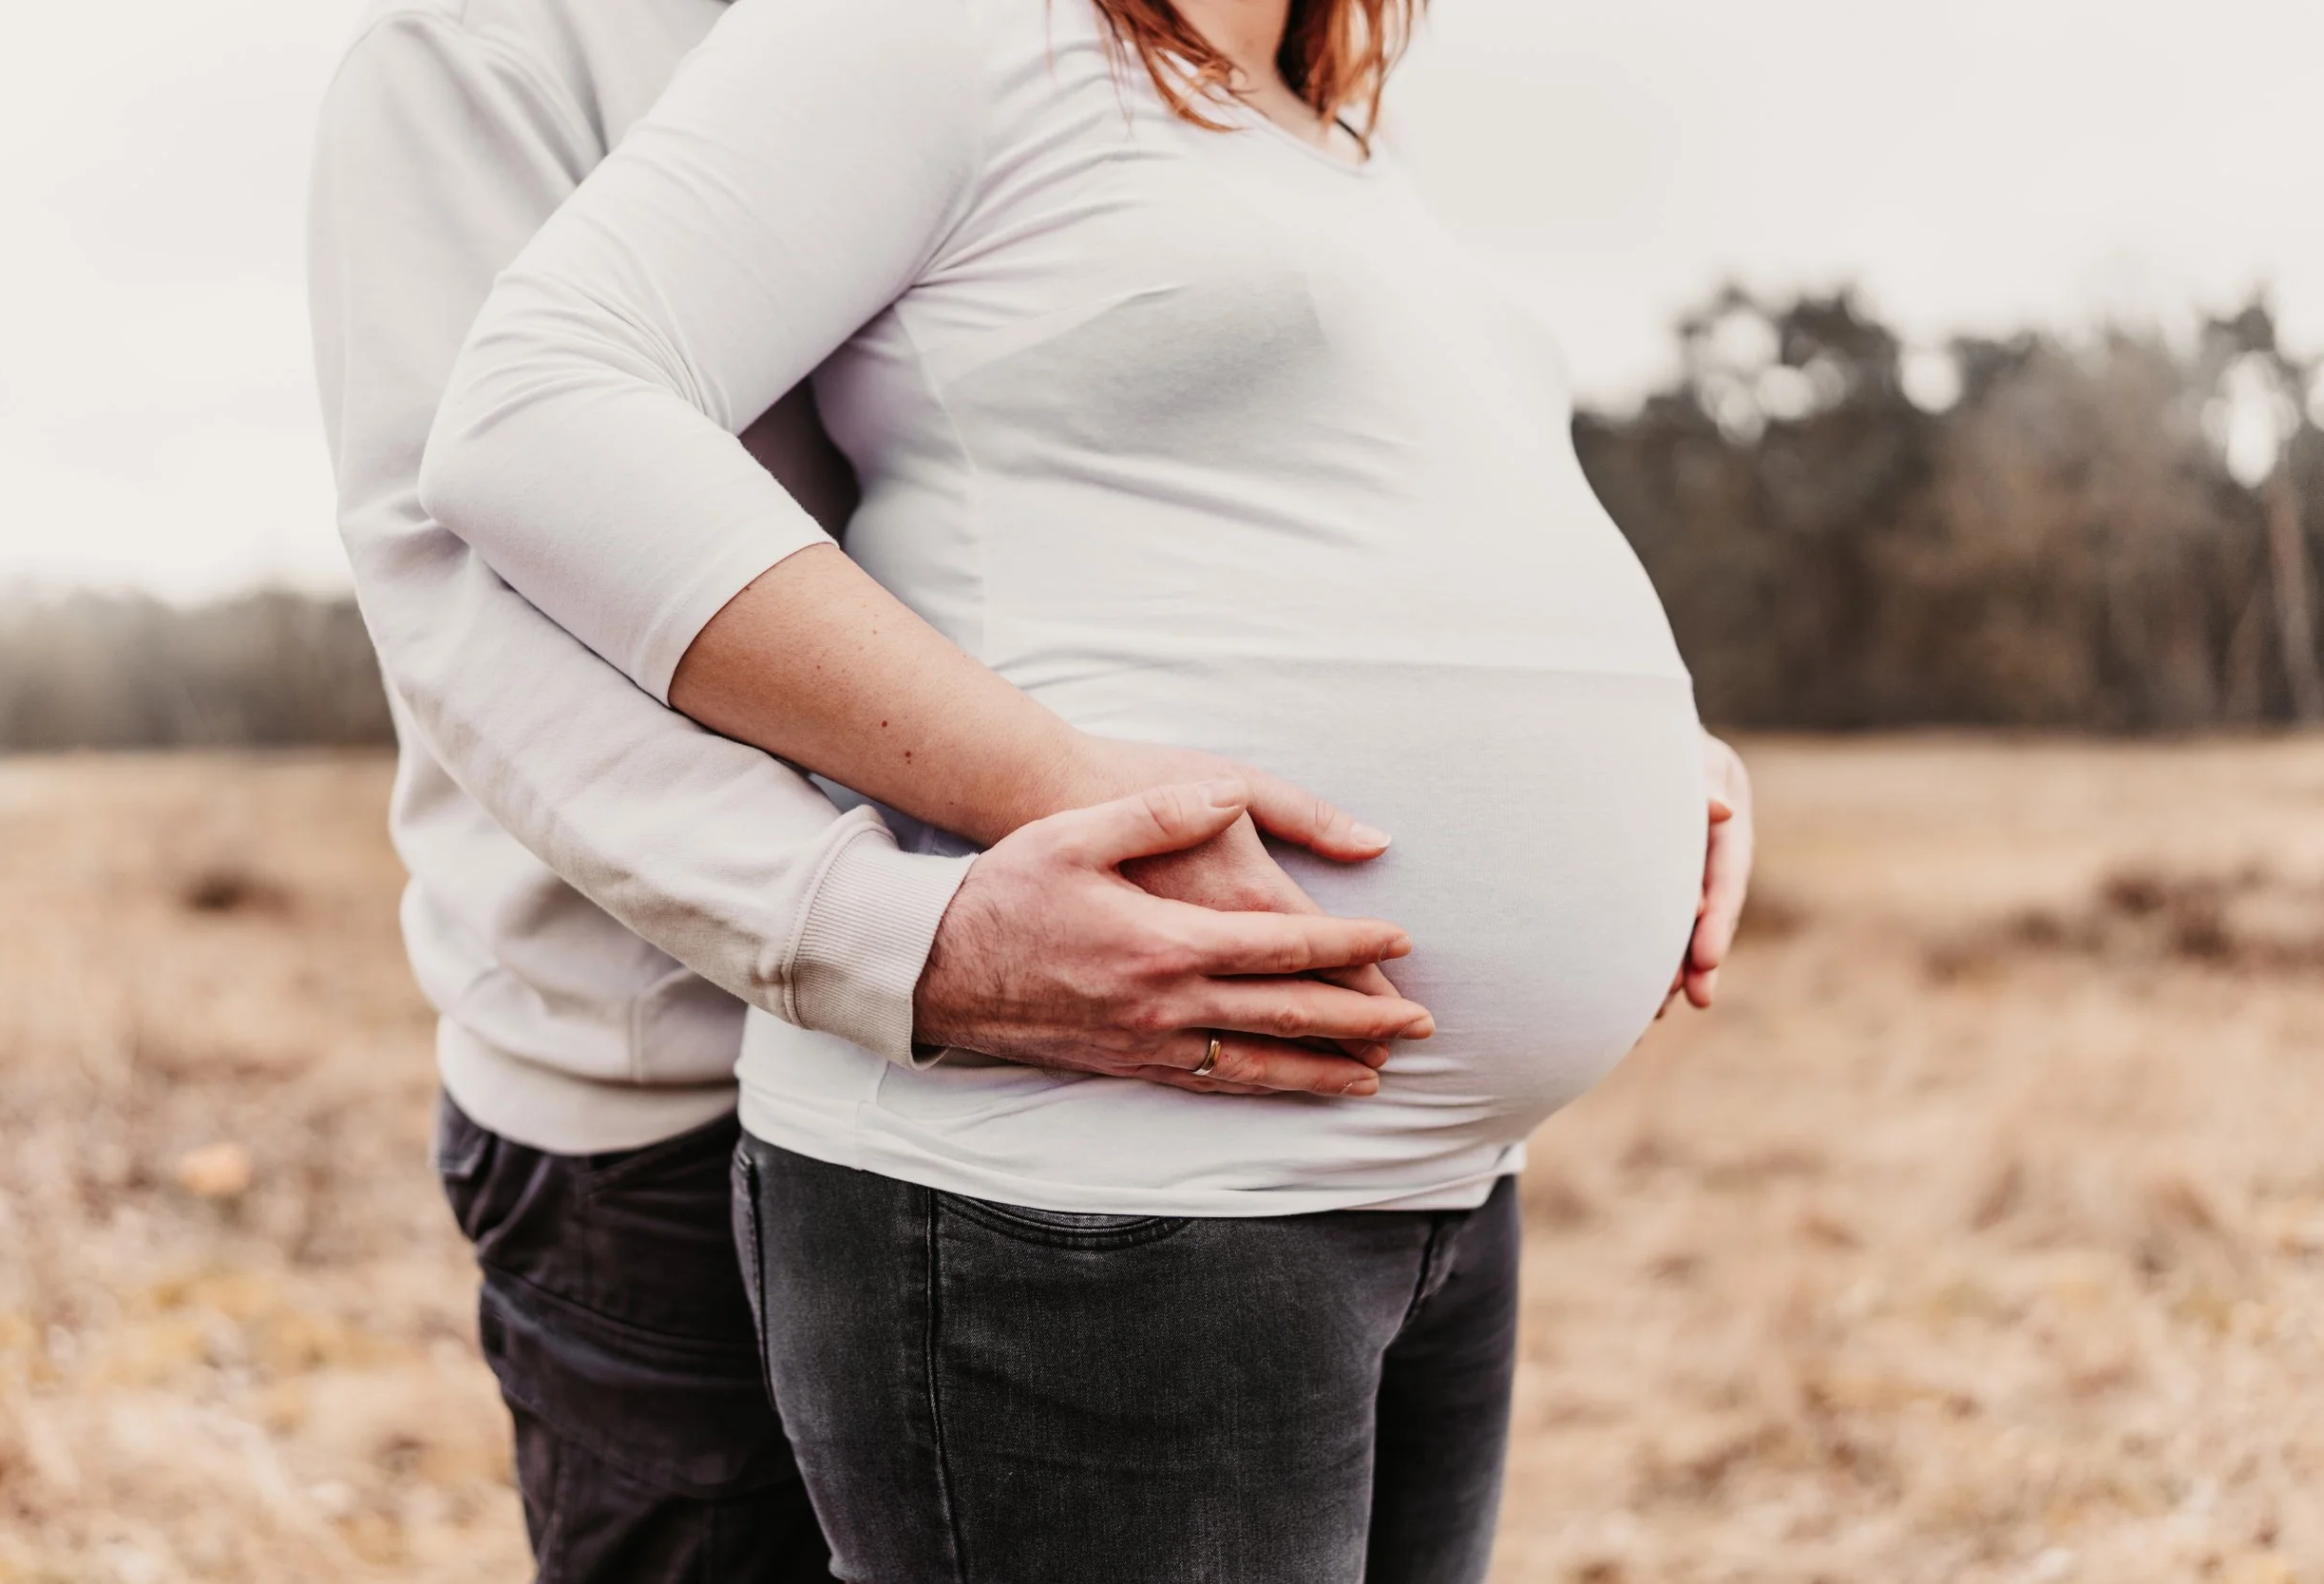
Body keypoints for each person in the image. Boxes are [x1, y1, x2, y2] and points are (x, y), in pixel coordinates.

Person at [418, 0, 1756, 1576]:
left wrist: (1641, 747)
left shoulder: (1321, 117)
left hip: (1429, 1186)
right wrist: (1048, 791)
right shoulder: (942, 28)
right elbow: (536, 417)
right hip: (1100, 1180)